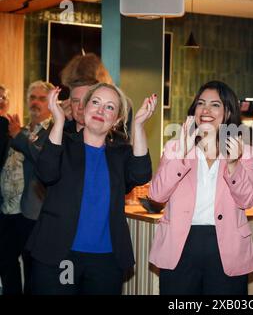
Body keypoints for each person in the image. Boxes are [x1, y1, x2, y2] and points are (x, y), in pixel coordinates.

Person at [26, 83, 156, 295]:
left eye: (110, 107)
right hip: (60, 255)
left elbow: (141, 175)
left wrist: (139, 126)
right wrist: (58, 121)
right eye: (95, 102)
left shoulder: (120, 152)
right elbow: (46, 173)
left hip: (106, 260)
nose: (100, 110)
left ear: (117, 119)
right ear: (83, 109)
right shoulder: (62, 143)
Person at [149, 80, 253, 295]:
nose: (206, 110)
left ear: (227, 113)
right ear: (194, 111)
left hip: (227, 248)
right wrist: (181, 153)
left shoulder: (245, 151)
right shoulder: (175, 147)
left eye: (215, 104)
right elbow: (157, 194)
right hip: (180, 246)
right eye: (201, 103)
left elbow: (248, 201)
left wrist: (234, 164)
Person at [6, 80, 55, 294]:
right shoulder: (23, 130)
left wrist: (18, 136)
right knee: (18, 263)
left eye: (42, 99)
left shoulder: (54, 130)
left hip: (42, 214)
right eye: (32, 98)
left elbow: (42, 158)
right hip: (18, 212)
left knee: (39, 273)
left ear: (51, 103)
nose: (35, 102)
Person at [0, 85, 27, 295]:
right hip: (8, 208)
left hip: (12, 209)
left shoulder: (9, 128)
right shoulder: (10, 129)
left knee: (8, 260)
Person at [60, 53, 114, 136]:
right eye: (76, 100)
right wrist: (63, 123)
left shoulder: (116, 108)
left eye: (87, 100)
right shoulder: (63, 124)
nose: (80, 107)